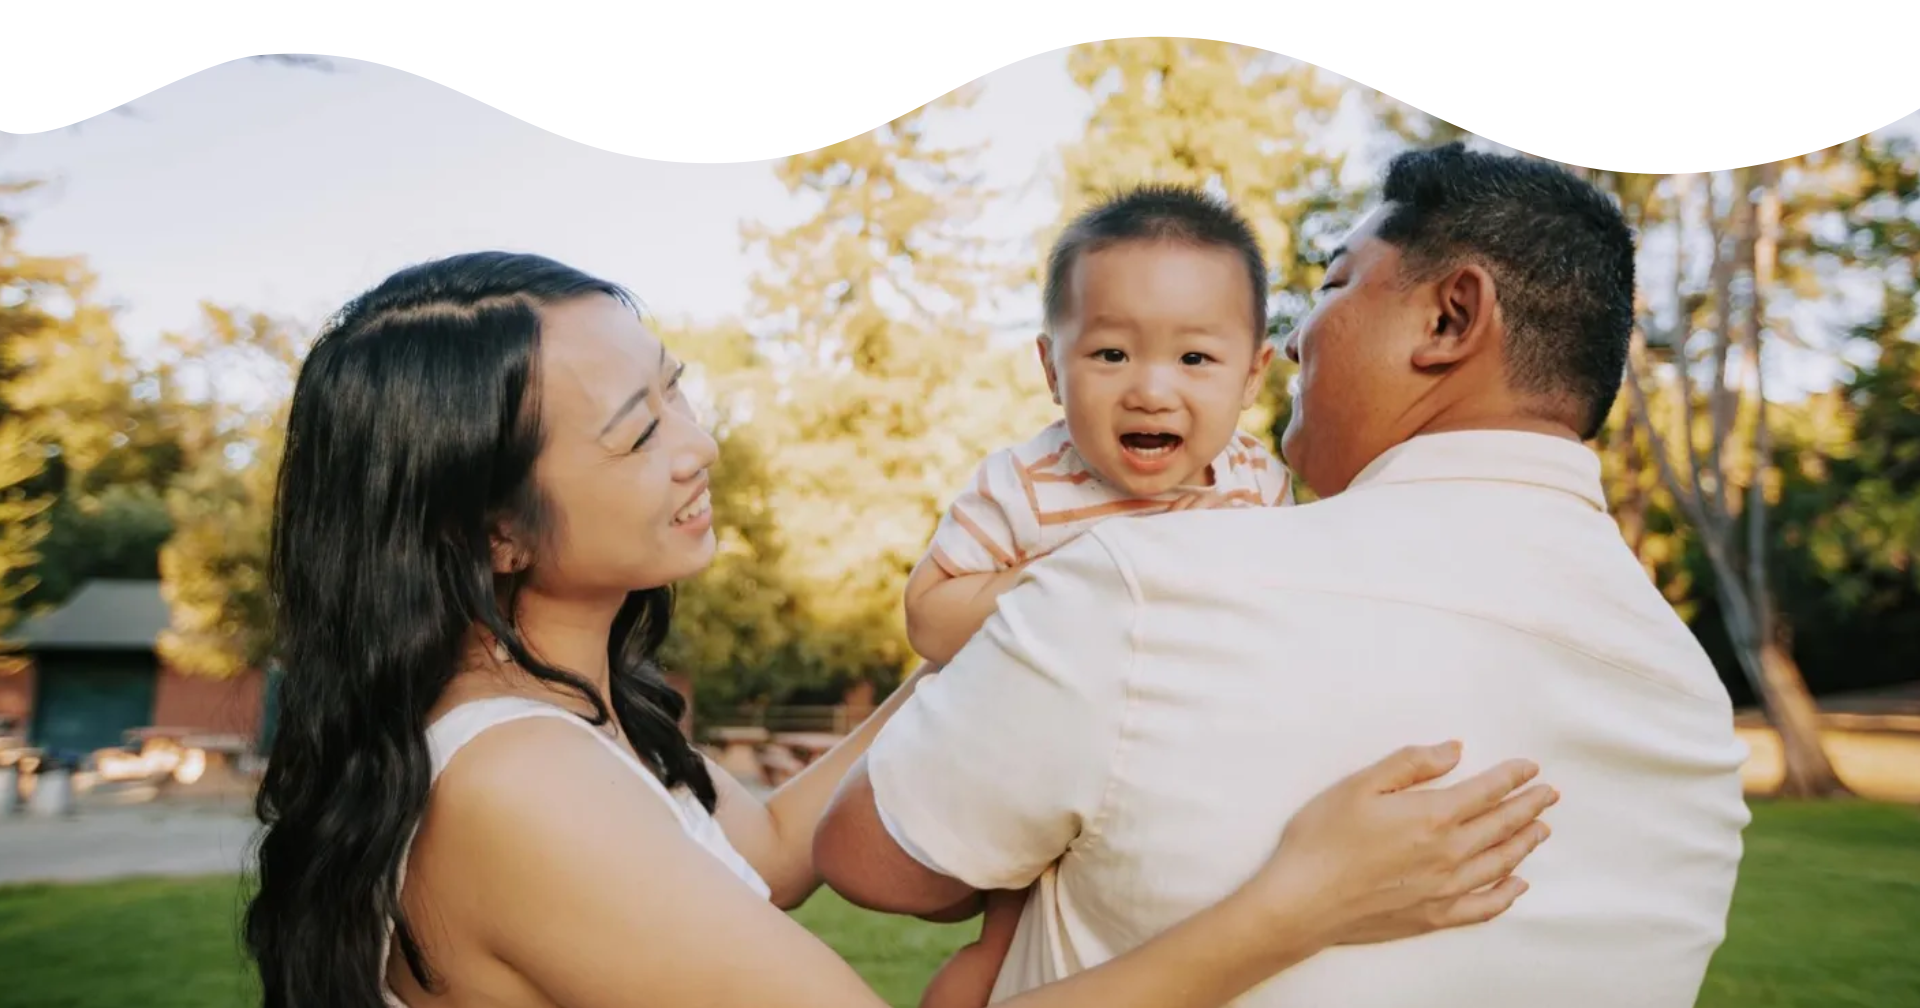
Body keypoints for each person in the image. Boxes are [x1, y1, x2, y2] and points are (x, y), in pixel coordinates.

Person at [241, 250, 1558, 1008]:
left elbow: (761, 847)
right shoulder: (516, 787)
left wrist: (1025, 612)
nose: (698, 445)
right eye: (640, 430)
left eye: (677, 390)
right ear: (492, 531)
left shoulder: (570, 730)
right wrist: (1300, 903)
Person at [816, 143, 1753, 1008]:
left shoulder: (1145, 588)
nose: (1297, 343)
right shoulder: (1699, 721)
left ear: (1450, 316)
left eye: (1336, 284)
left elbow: (873, 859)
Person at [907, 184, 1293, 1008]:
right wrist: (1083, 586)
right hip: (1048, 752)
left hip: (1197, 753)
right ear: (1052, 366)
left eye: (1196, 358)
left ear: (1253, 375)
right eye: (1111, 354)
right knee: (999, 949)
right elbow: (931, 614)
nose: (1151, 389)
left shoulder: (1258, 481)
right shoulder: (1026, 484)